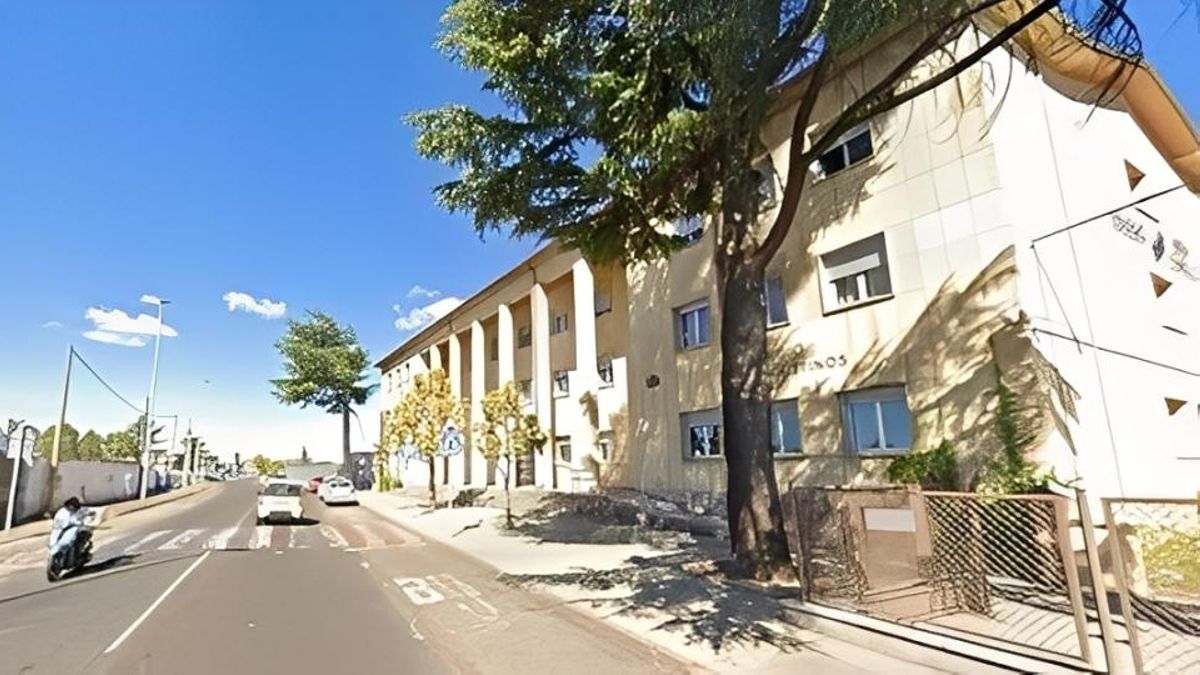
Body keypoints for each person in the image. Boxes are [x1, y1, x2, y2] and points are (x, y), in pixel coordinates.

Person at [48, 497, 87, 564]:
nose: (73, 508)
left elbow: (79, 521)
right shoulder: (61, 512)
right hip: (60, 530)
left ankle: (77, 555)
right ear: (69, 505)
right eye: (72, 506)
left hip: (72, 531)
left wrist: (79, 523)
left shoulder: (75, 513)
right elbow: (58, 523)